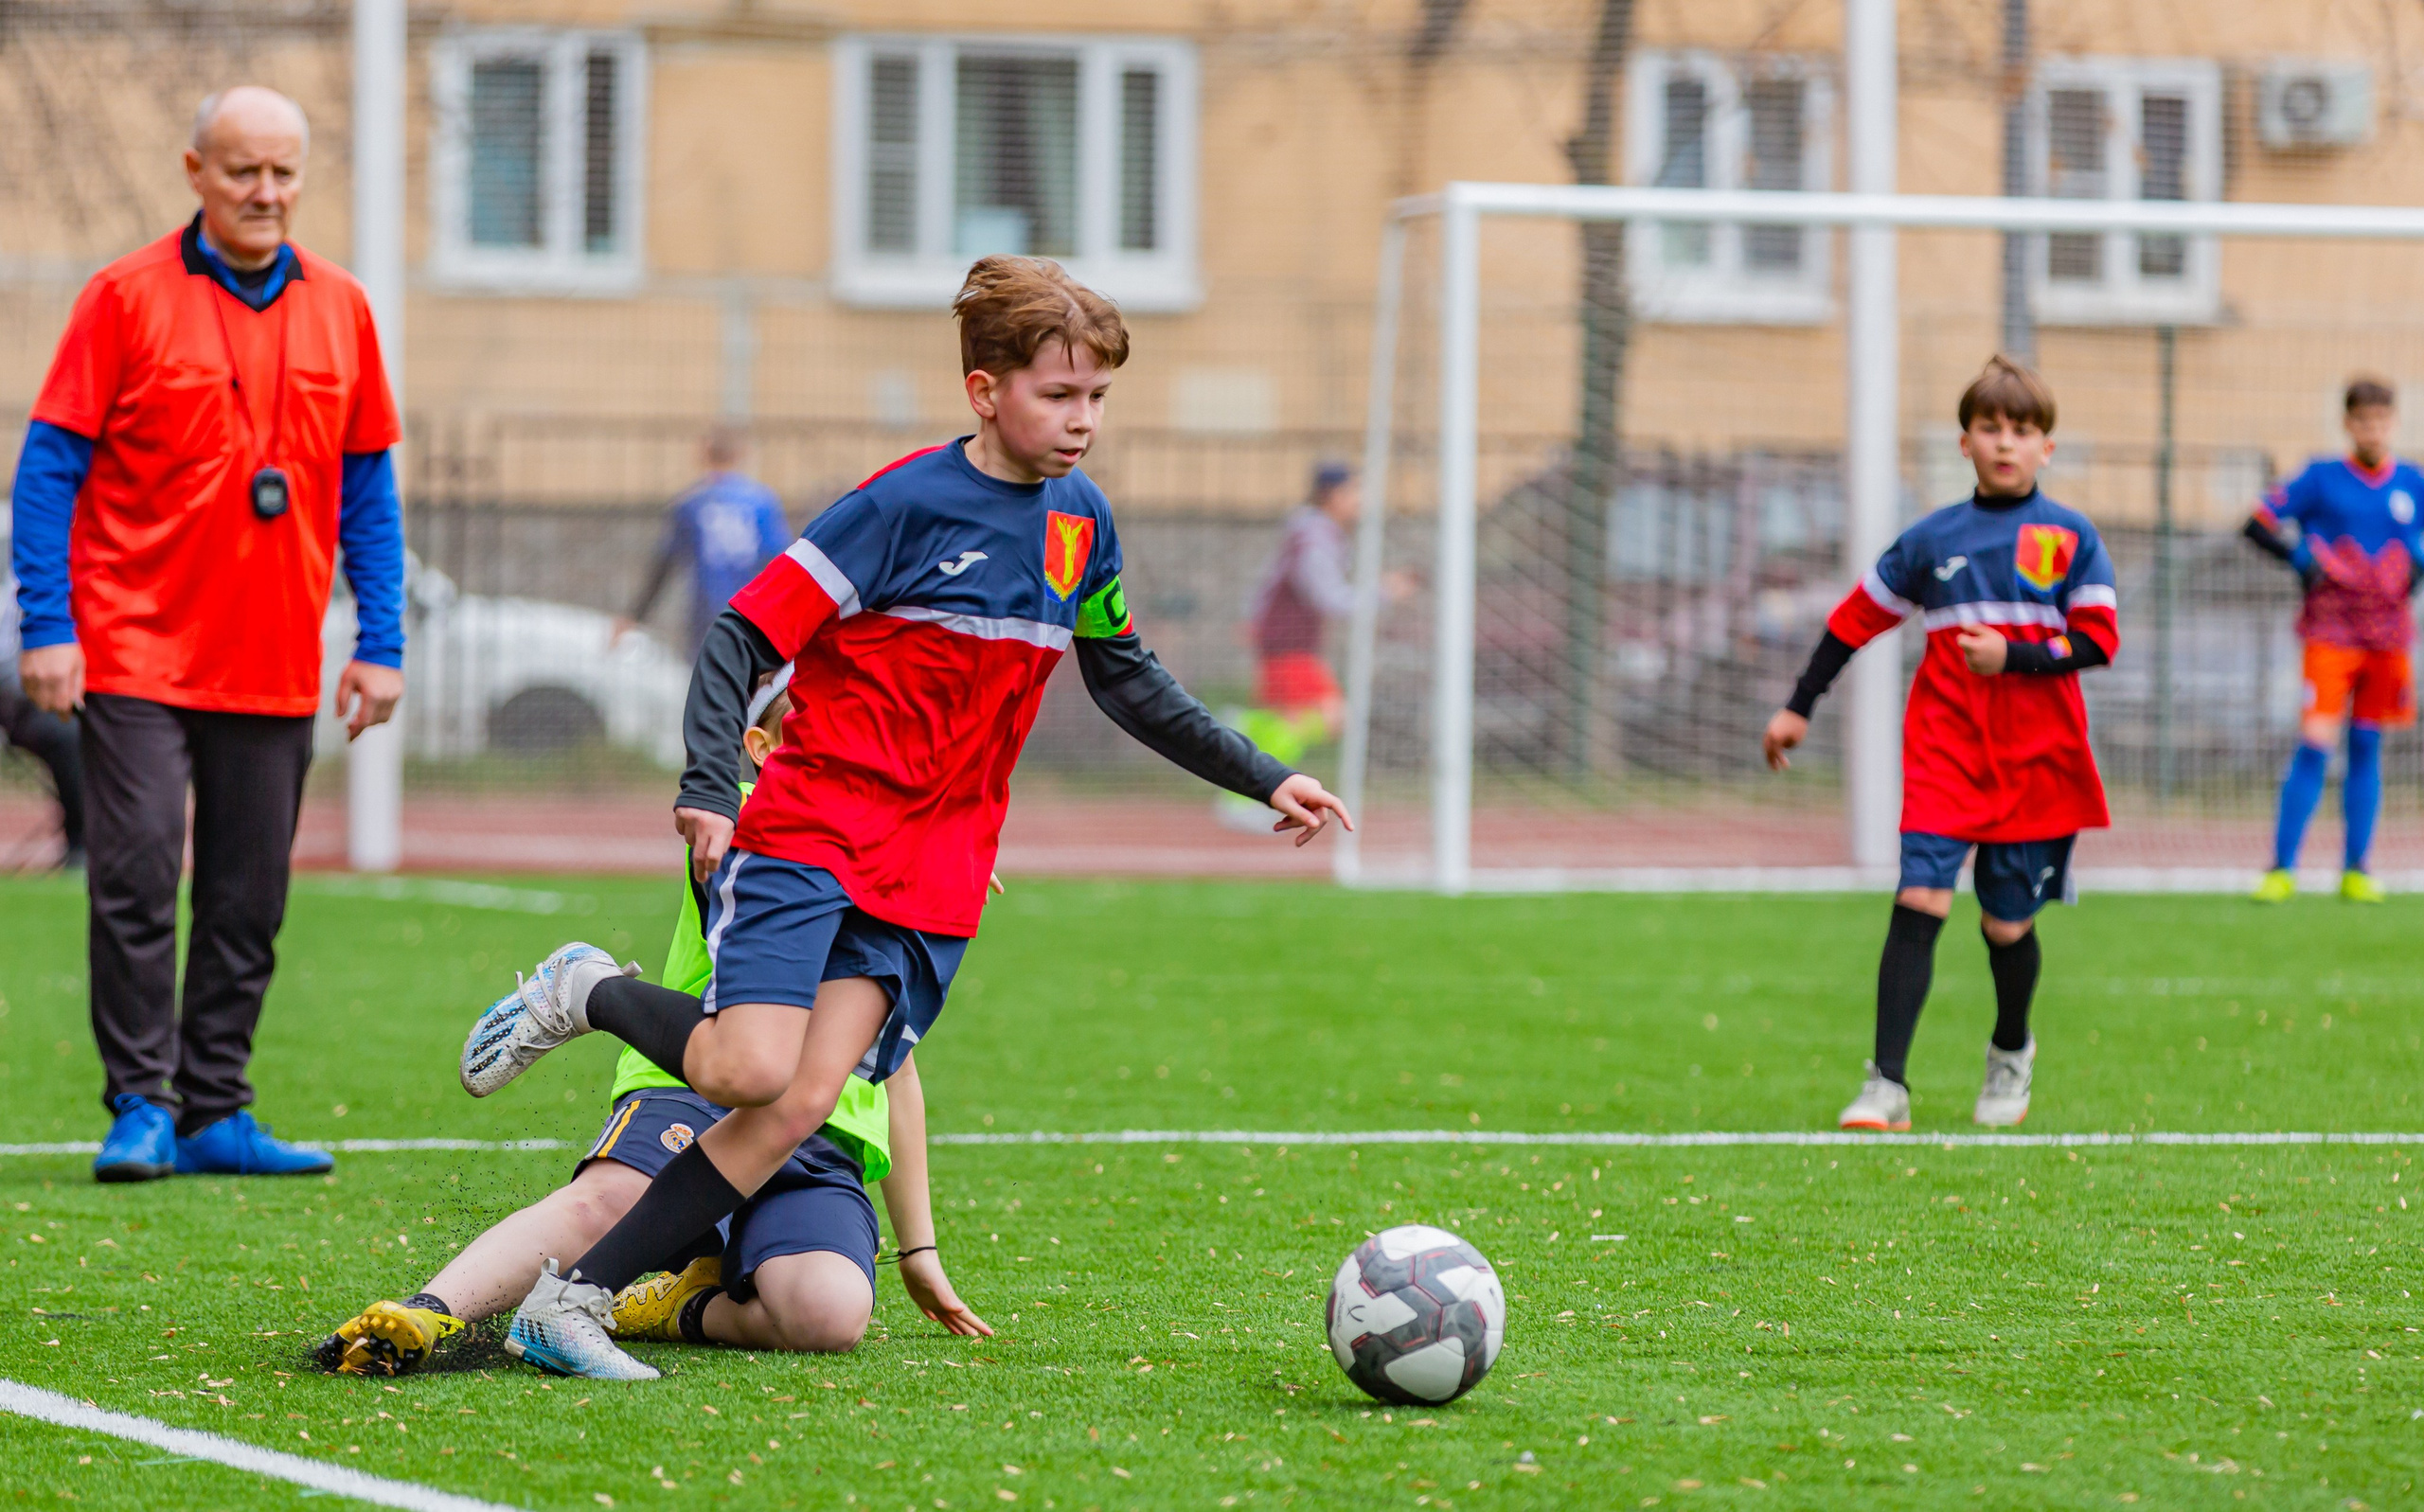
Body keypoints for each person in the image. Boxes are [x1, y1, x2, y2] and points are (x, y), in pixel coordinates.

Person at [460, 254, 1353, 1379]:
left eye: (1098, 399)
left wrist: (1264, 773)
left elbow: (1127, 676)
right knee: (745, 1071)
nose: (1082, 422)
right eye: (1058, 395)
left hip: (935, 869)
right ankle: (586, 988)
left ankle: (570, 1304)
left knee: (799, 1105)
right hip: (816, 829)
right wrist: (701, 784)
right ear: (986, 392)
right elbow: (743, 634)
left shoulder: (1082, 527)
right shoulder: (899, 506)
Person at [319, 680, 988, 1376]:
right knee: (605, 1200)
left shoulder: (897, 852)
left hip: (822, 1135)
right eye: (828, 733)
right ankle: (426, 1310)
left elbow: (897, 1066)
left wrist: (920, 1250)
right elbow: (819, 860)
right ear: (763, 751)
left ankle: (674, 1305)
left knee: (827, 1311)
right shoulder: (756, 824)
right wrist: (931, 851)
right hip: (695, 1087)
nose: (858, 757)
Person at [7, 86, 405, 1183]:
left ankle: (215, 1108)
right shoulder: (121, 297)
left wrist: (383, 640)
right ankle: (140, 1100)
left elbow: (368, 487)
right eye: (243, 172)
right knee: (135, 874)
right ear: (194, 172)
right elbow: (46, 473)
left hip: (275, 657)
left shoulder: (345, 307)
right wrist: (48, 625)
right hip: (133, 647)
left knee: (247, 896)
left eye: (284, 173)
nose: (266, 192)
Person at [1762, 355, 2119, 1132]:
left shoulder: (2070, 536)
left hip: (2036, 763)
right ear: (1964, 443)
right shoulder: (1932, 540)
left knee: (2005, 926)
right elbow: (1854, 618)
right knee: (1918, 898)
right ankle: (1887, 1084)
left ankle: (2011, 1049)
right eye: (1990, 427)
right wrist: (1799, 706)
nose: (2005, 442)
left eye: (2022, 430)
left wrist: (2016, 656)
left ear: (2045, 448)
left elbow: (2098, 642)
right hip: (1945, 756)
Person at [2244, 377, 2424, 904]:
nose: (2373, 429)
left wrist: (2410, 576)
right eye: (2363, 420)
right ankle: (2282, 868)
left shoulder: (2412, 482)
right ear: (2348, 423)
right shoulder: (2322, 478)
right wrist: (2301, 561)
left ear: (2393, 423)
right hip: (2330, 635)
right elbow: (2256, 523)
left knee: (2367, 745)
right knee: (2316, 743)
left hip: (2387, 639)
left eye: (2382, 420)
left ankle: (2356, 869)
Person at [1216, 462, 1365, 829]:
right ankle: (1251, 787)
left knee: (1290, 722)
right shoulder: (1314, 536)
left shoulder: (1308, 531)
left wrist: (1253, 617)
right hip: (1289, 643)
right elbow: (1326, 595)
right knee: (1330, 716)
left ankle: (1247, 735)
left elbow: (1270, 581)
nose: (1361, 501)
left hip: (1286, 640)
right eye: (1355, 492)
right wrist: (1380, 595)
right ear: (1334, 495)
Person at [614, 426, 791, 659]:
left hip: (706, 612)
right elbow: (780, 562)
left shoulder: (691, 503)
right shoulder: (762, 501)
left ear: (703, 453)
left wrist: (634, 615)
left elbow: (665, 565)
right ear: (741, 454)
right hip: (752, 610)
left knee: (707, 681)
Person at [0, 521, 83, 869]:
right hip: (14, 683)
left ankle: (83, 845)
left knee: (69, 730)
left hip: (28, 690)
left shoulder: (43, 535)